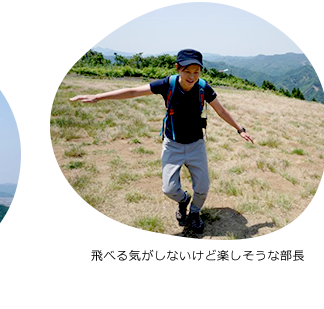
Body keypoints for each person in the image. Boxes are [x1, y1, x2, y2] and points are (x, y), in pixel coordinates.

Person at [70, 49, 254, 236]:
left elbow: (221, 111)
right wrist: (98, 97)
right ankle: (183, 201)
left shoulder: (203, 88)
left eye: (196, 72)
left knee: (203, 187)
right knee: (169, 189)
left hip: (196, 145)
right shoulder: (168, 84)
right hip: (172, 144)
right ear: (178, 68)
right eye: (187, 71)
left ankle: (195, 213)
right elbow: (134, 91)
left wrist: (240, 129)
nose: (192, 76)